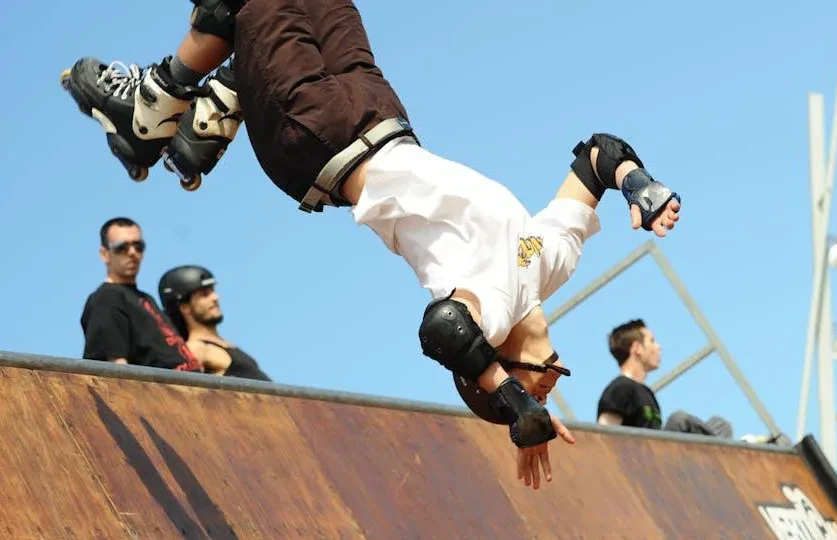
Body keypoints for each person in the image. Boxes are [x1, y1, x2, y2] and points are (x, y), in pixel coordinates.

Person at [61, 0, 683, 490]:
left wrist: (514, 400)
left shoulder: (490, 302)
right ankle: (209, 113)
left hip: (317, 137)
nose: (553, 377)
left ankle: (150, 113)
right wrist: (640, 186)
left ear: (496, 360)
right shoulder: (545, 261)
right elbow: (598, 154)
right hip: (378, 113)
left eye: (543, 382)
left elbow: (444, 329)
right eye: (553, 381)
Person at [81, 217, 203, 372]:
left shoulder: (145, 298)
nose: (132, 252)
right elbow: (114, 369)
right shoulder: (106, 298)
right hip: (159, 393)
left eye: (138, 246)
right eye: (122, 247)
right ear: (105, 254)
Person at [596, 319, 732, 438]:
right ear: (637, 348)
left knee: (720, 425)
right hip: (642, 459)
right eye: (652, 341)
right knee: (679, 420)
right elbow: (604, 436)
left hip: (661, 456)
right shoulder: (620, 389)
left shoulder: (645, 393)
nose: (658, 347)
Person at [158, 265, 272, 381]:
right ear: (185, 307)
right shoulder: (197, 348)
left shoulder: (228, 346)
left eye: (213, 290)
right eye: (204, 294)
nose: (215, 297)